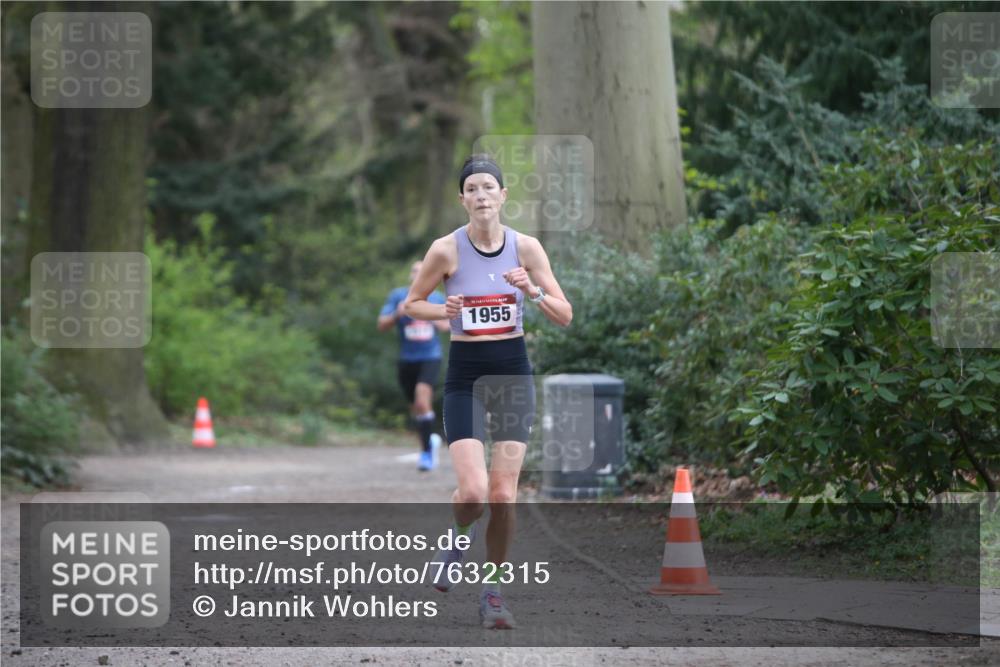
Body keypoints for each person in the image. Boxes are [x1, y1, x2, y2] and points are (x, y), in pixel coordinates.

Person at [404, 154, 572, 629]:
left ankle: (493, 593)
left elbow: (565, 313)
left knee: (503, 496)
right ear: (462, 199)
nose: (481, 195)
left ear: (503, 196)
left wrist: (533, 292)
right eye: (472, 189)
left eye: (488, 188)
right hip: (466, 378)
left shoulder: (527, 248)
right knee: (474, 492)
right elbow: (414, 304)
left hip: (513, 374)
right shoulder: (445, 250)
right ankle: (458, 539)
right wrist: (445, 310)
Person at [377, 261, 450, 471]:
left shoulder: (437, 298)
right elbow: (381, 325)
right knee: (416, 408)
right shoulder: (398, 297)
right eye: (415, 272)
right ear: (410, 276)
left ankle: (426, 454)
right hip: (407, 360)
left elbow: (447, 325)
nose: (419, 275)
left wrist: (434, 318)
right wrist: (397, 314)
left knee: (422, 398)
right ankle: (430, 443)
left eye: (423, 271)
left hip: (430, 357)